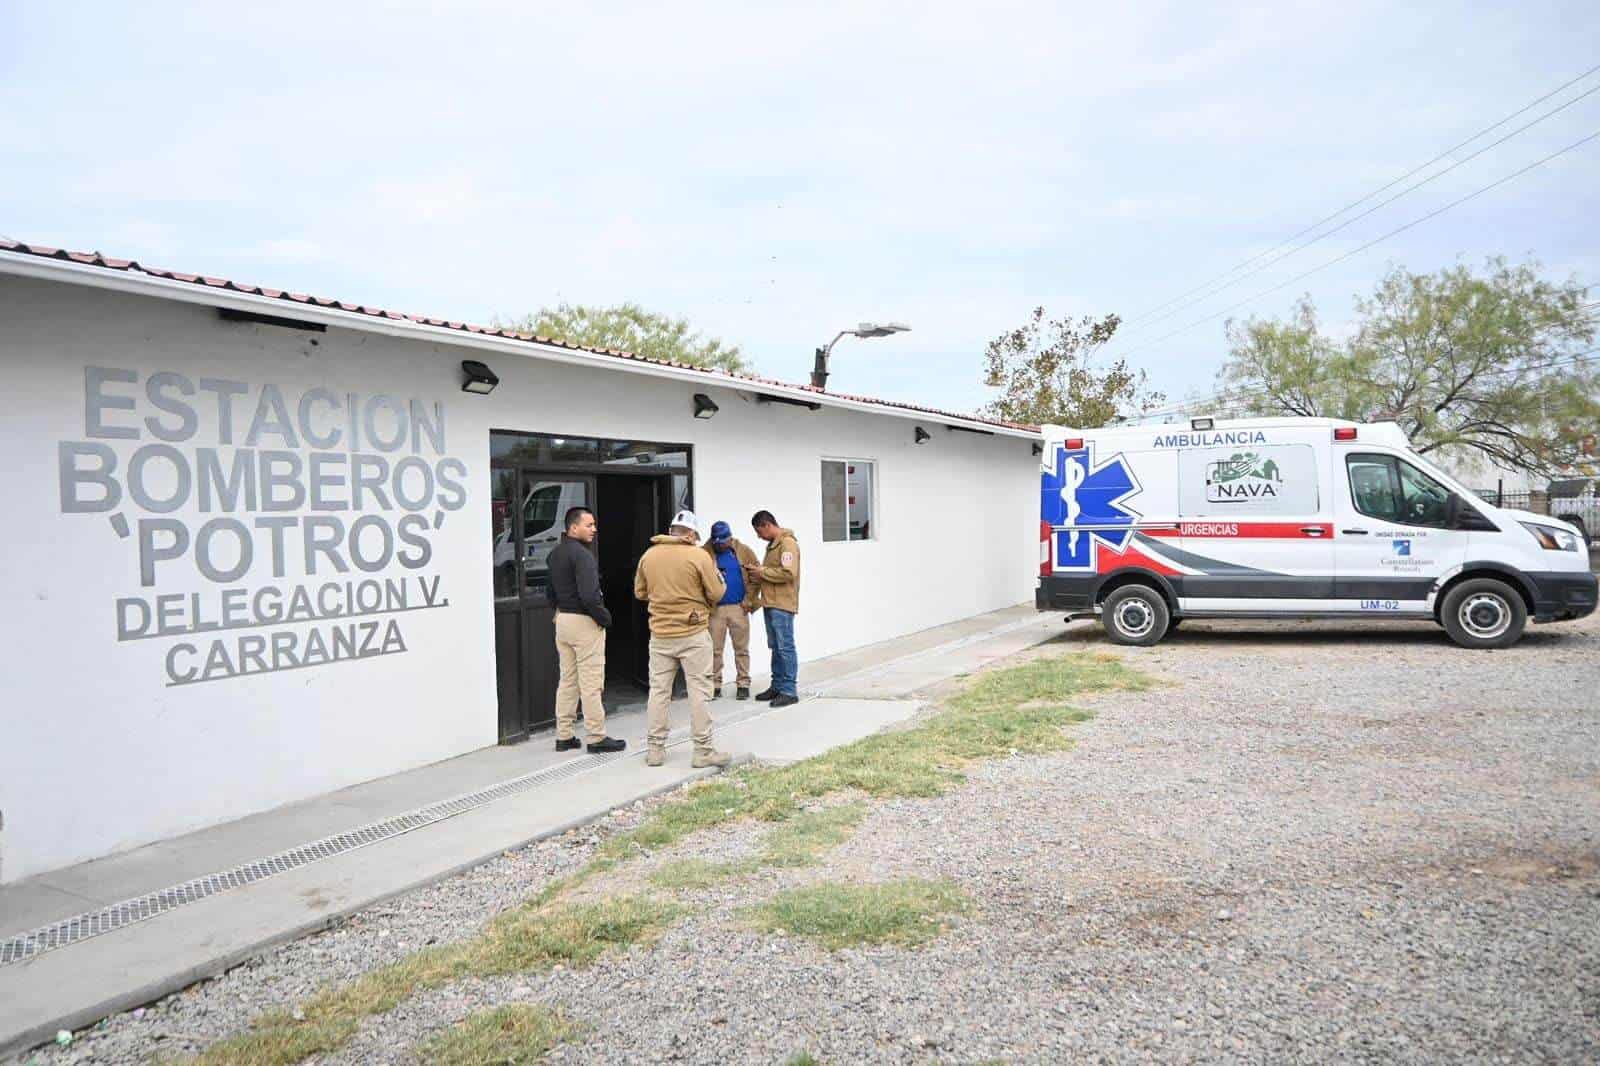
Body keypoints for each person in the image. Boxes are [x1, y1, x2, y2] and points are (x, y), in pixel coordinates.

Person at [632, 509, 732, 768]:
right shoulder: (698, 556)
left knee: (659, 692)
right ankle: (703, 751)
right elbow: (717, 592)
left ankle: (655, 750)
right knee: (699, 691)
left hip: (660, 635)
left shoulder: (648, 556)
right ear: (689, 534)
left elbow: (640, 592)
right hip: (693, 633)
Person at [548, 507, 625, 753]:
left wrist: (559, 611)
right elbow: (590, 596)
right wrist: (605, 618)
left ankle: (564, 735)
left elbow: (550, 592)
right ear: (573, 527)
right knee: (591, 683)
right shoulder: (583, 556)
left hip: (563, 620)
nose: (594, 529)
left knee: (567, 680)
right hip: (584, 623)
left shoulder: (555, 554)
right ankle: (596, 737)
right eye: (589, 525)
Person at [747, 510, 800, 708]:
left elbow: (788, 573)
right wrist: (758, 574)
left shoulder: (787, 544)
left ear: (767, 525)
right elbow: (772, 573)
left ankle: (789, 690)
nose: (758, 536)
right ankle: (777, 686)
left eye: (758, 531)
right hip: (770, 603)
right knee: (776, 647)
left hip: (782, 604)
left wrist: (762, 572)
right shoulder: (772, 545)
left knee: (785, 646)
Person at [702, 520, 760, 700]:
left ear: (730, 537)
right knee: (714, 650)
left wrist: (749, 599)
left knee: (741, 649)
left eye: (723, 541)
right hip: (715, 610)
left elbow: (756, 576)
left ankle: (743, 683)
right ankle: (715, 685)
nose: (720, 545)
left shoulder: (743, 551)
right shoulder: (704, 554)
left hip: (738, 607)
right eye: (717, 541)